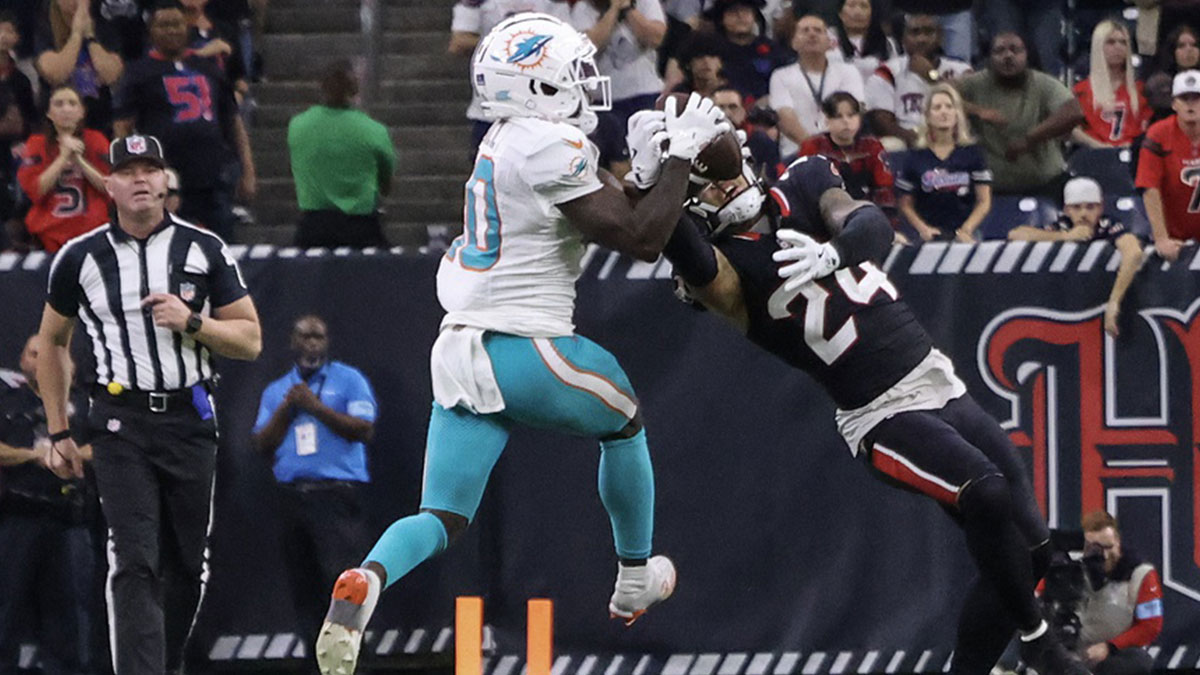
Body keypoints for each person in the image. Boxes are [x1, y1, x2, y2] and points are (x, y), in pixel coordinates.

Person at [314, 12, 732, 674]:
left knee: (442, 515)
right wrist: (679, 157)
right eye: (570, 74)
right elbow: (643, 239)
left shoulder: (506, 140)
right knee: (624, 417)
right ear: (536, 86)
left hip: (459, 349)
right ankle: (633, 573)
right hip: (524, 343)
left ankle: (367, 577)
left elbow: (614, 212)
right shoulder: (547, 145)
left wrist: (651, 173)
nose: (583, 84)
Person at [627, 118, 1088, 675]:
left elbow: (868, 225)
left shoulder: (802, 179)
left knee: (1031, 552)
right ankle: (1038, 639)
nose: (727, 186)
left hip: (937, 380)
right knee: (984, 492)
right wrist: (658, 179)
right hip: (881, 415)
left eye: (723, 173)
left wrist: (833, 254)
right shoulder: (721, 267)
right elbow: (687, 254)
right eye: (708, 184)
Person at [36, 133, 262, 675]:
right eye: (128, 170)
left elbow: (251, 340)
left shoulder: (204, 249)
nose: (140, 178)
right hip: (120, 421)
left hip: (189, 417)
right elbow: (51, 342)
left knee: (187, 565)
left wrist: (193, 322)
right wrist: (61, 431)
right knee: (134, 559)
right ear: (107, 184)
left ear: (167, 182)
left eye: (151, 168)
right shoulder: (80, 257)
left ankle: (164, 662)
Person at [252, 315, 376, 668]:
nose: (312, 343)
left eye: (318, 337)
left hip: (336, 497)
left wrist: (315, 407)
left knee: (345, 589)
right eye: (305, 337)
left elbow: (364, 429)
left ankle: (355, 666)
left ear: (327, 341)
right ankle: (317, 665)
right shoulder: (278, 391)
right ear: (293, 341)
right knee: (304, 590)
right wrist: (289, 407)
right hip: (292, 498)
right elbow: (261, 443)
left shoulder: (348, 380)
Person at [113, 0, 256, 242]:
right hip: (165, 176)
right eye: (164, 25)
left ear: (187, 26)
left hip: (213, 174)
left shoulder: (208, 68)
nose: (171, 30)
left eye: (177, 24)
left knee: (221, 248)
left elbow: (233, 120)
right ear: (151, 30)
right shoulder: (138, 73)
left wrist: (248, 170)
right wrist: (127, 172)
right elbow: (122, 126)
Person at [0, 335, 95, 675]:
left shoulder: (88, 406)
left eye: (50, 354)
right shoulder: (8, 402)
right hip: (18, 517)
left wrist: (68, 453)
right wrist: (34, 455)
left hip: (71, 520)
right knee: (5, 610)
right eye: (33, 354)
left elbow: (110, 445)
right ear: (23, 363)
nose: (41, 361)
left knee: (70, 615)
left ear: (70, 363)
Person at [1007, 177, 1143, 337]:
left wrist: (1114, 302)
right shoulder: (1063, 226)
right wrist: (1064, 237)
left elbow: (1134, 253)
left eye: (1090, 207)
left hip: (1103, 300)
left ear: (1100, 208)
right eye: (1077, 208)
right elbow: (1015, 234)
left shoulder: (1109, 225)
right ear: (1067, 210)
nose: (1084, 214)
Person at [956, 32, 1084, 199]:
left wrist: (1030, 139)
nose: (1008, 56)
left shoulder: (1042, 83)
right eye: (1000, 51)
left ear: (1026, 55)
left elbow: (1074, 112)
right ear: (989, 58)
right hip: (991, 188)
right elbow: (940, 93)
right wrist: (979, 111)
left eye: (1015, 50)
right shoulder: (976, 83)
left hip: (1045, 184)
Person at [287, 59, 395, 248]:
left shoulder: (298, 125)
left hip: (313, 228)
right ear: (355, 90)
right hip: (361, 230)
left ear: (321, 88)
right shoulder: (374, 130)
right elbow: (386, 184)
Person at [447, 0, 566, 158]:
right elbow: (458, 42)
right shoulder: (478, 2)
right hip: (491, 111)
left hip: (537, 110)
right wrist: (506, 42)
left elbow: (565, 38)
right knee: (489, 176)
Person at [565, 0, 667, 177]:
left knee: (652, 159)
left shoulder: (644, 2)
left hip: (645, 95)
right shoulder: (583, 8)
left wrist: (627, 9)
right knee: (613, 167)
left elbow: (656, 37)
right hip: (603, 102)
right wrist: (613, 10)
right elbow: (587, 48)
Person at [17, 84, 110, 252]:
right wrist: (62, 157)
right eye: (58, 104)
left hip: (93, 232)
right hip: (49, 235)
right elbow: (35, 191)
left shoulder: (96, 140)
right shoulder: (36, 144)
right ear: (48, 113)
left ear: (82, 111)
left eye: (72, 103)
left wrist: (79, 160)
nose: (66, 109)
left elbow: (110, 188)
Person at [896, 83, 991, 243]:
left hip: (966, 233)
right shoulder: (915, 157)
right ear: (927, 115)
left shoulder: (973, 154)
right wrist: (923, 229)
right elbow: (905, 204)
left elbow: (984, 200)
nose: (944, 112)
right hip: (928, 234)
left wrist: (966, 230)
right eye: (937, 107)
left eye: (949, 106)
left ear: (957, 113)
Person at [1073, 511, 1163, 675]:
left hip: (1116, 654)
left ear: (1118, 541)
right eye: (1096, 549)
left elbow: (1151, 626)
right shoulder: (1069, 570)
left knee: (1139, 662)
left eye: (1108, 547)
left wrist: (1110, 646)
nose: (1105, 555)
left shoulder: (1141, 573)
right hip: (1072, 651)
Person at [864, 13, 971, 150]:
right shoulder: (888, 71)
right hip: (909, 138)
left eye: (928, 32)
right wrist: (919, 141)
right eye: (915, 33)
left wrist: (932, 76)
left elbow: (973, 110)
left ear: (940, 38)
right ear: (903, 39)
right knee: (890, 145)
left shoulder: (961, 70)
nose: (922, 39)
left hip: (951, 136)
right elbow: (882, 122)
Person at [769, 13, 863, 157]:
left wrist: (834, 150)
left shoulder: (848, 71)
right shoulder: (780, 76)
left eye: (818, 30)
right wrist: (817, 150)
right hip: (797, 152)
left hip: (844, 151)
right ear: (793, 42)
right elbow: (786, 119)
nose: (812, 34)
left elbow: (856, 111)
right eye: (805, 31)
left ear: (830, 42)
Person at [799, 91, 895, 224]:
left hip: (867, 216)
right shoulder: (814, 146)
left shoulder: (872, 146)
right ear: (827, 119)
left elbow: (884, 187)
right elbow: (806, 189)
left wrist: (886, 224)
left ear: (859, 118)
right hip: (824, 218)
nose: (846, 121)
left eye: (851, 115)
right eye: (838, 116)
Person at [1136, 69, 1200, 262]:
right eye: (1184, 98)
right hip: (1176, 237)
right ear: (1173, 104)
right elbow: (1149, 187)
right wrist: (1162, 238)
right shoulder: (1159, 134)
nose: (1190, 104)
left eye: (1196, 98)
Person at [33, 0, 124, 133]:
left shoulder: (104, 26)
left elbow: (111, 74)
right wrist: (76, 35)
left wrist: (90, 37)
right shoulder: (45, 28)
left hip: (99, 120)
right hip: (56, 124)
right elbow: (56, 74)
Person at [1072, 20, 1150, 149]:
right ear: (1098, 47)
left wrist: (1132, 146)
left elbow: (1147, 128)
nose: (1118, 47)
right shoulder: (1081, 91)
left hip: (1133, 155)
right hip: (1094, 156)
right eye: (1111, 42)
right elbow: (1071, 130)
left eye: (1123, 42)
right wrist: (1098, 146)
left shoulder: (1141, 90)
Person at [826, 0, 895, 82]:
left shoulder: (886, 44)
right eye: (851, 6)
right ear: (840, 13)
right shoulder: (826, 38)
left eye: (864, 6)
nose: (858, 12)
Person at [1145, 24, 1200, 123]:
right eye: (1181, 46)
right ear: (1172, 51)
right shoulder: (1159, 83)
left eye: (1194, 45)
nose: (1189, 49)